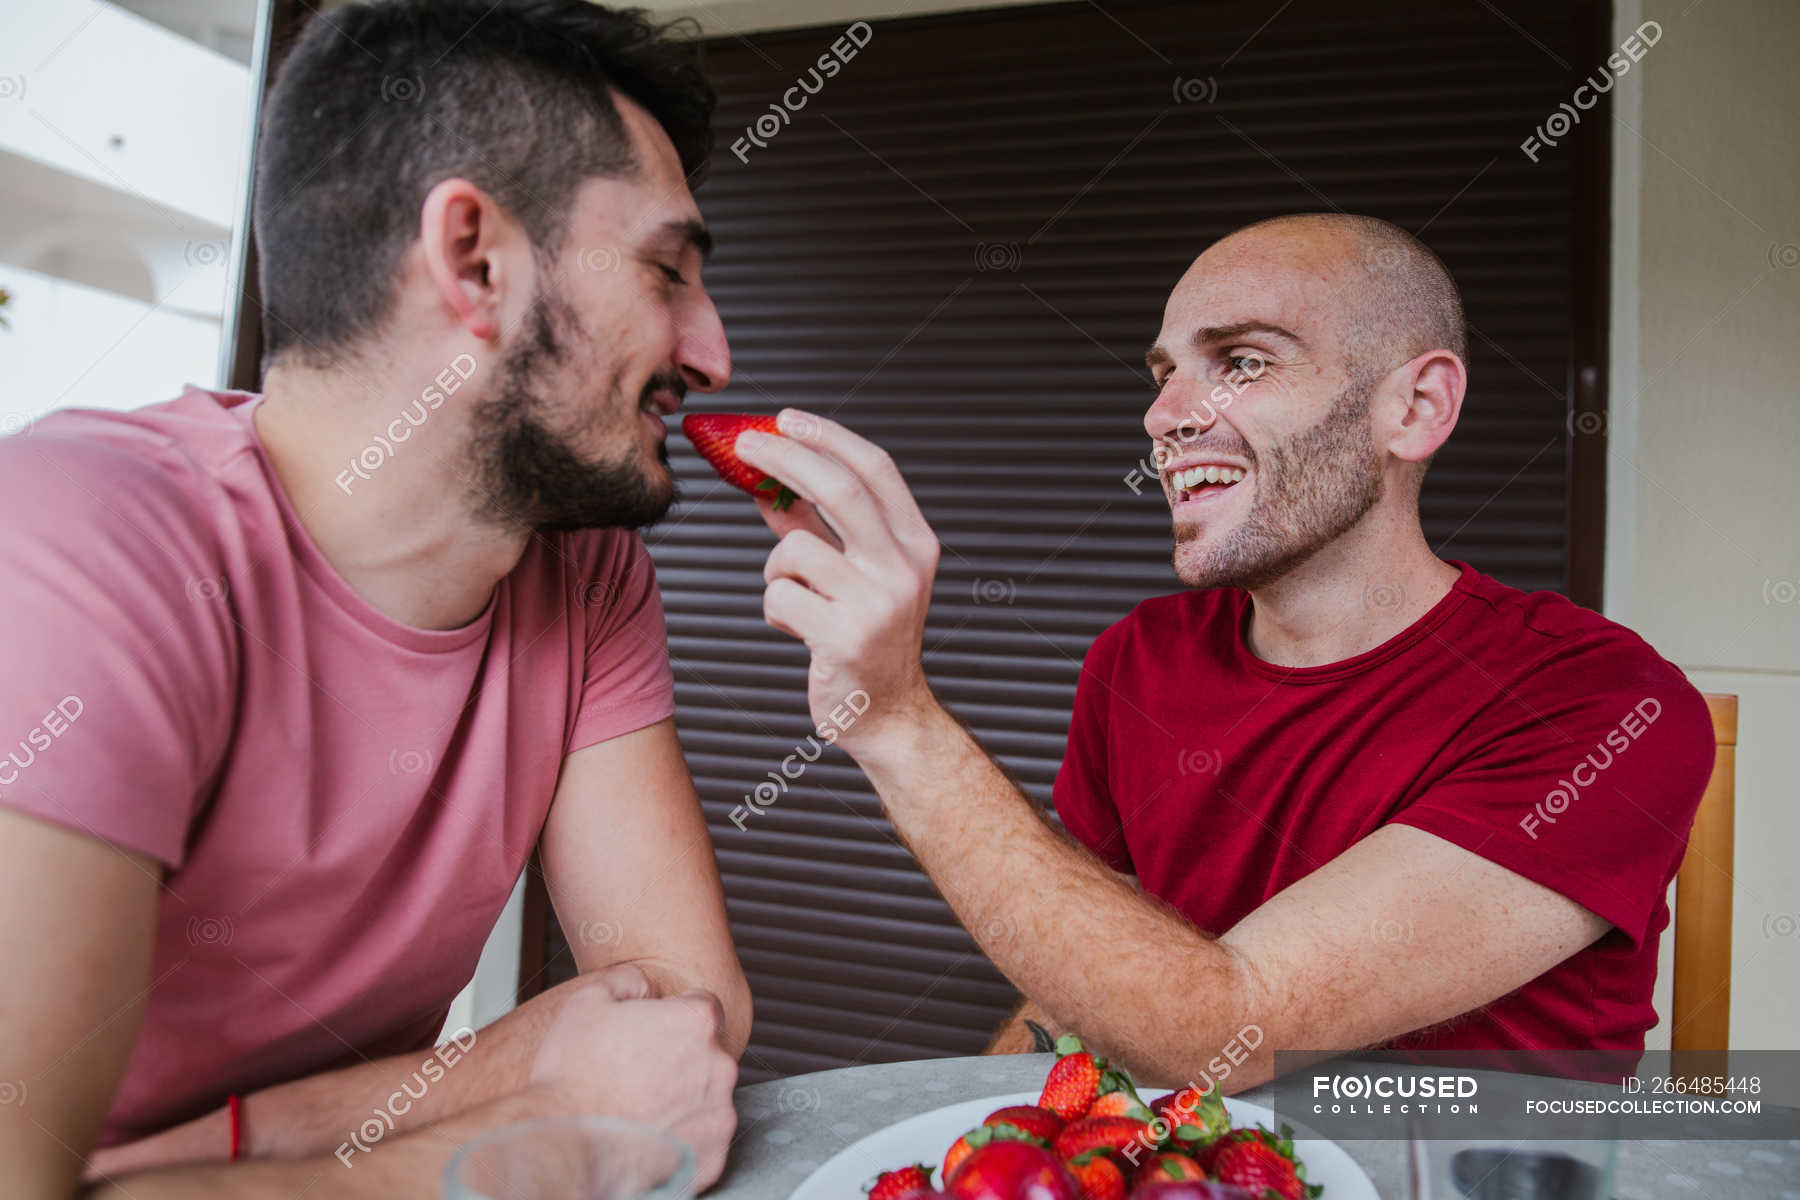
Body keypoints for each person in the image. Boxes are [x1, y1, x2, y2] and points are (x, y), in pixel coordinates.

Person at [0, 2, 747, 1195]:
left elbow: (682, 1020)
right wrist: (552, 1132)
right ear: (475, 260)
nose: (712, 352)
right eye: (666, 270)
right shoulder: (78, 540)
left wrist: (173, 1162)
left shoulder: (591, 574)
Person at [732, 212, 1716, 1088]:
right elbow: (1088, 990)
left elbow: (1226, 1031)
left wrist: (898, 721)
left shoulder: (1603, 708)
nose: (1165, 417)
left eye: (1241, 361)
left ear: (1413, 410)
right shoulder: (1138, 661)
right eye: (1165, 375)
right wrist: (980, 1139)